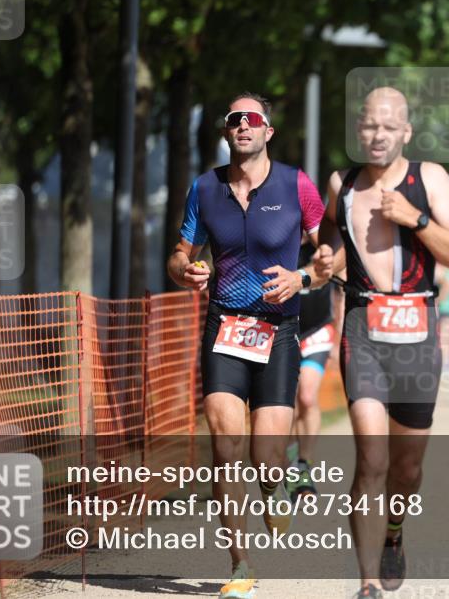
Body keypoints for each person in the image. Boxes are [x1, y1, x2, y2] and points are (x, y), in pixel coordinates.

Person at [166, 92, 331, 599]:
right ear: (226, 132)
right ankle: (239, 563)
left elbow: (332, 256)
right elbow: (178, 255)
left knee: (265, 454)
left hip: (279, 329)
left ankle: (275, 486)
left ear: (268, 132)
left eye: (252, 119)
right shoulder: (204, 188)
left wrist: (303, 277)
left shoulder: (296, 184)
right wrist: (185, 271)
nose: (243, 125)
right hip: (224, 329)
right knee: (225, 448)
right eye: (235, 119)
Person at [316, 86, 449, 599]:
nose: (377, 135)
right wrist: (322, 264)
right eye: (369, 126)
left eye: (388, 127)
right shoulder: (342, 183)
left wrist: (416, 219)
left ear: (405, 131)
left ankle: (395, 532)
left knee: (406, 470)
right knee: (372, 461)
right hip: (362, 330)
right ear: (357, 130)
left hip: (418, 334)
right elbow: (335, 250)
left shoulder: (430, 179)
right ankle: (366, 583)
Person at [284, 240, 337, 500]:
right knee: (288, 404)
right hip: (285, 331)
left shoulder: (324, 246)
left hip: (318, 330)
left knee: (306, 395)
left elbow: (342, 285)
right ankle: (288, 459)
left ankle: (304, 465)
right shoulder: (278, 237)